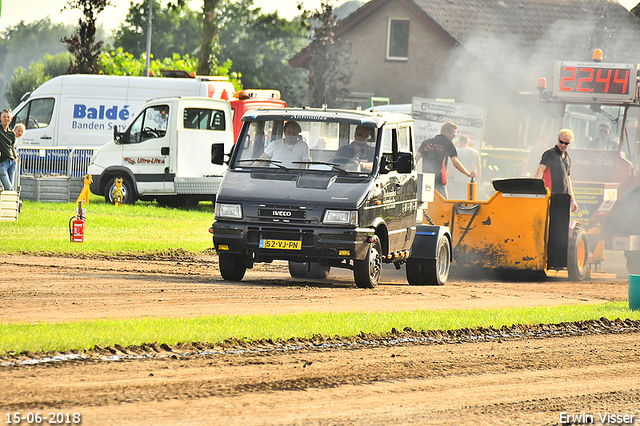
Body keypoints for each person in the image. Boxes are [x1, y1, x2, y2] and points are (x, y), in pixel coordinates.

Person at [416, 121, 476, 198]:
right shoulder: (448, 143)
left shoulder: (426, 143)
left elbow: (415, 159)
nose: (454, 137)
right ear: (446, 133)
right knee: (444, 206)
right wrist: (469, 174)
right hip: (439, 181)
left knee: (425, 205)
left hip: (425, 180)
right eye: (454, 134)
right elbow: (456, 163)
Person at [534, 129, 578, 212]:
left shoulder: (567, 158)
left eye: (566, 143)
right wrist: (536, 189)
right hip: (550, 196)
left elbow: (568, 180)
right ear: (558, 140)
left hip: (563, 197)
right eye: (561, 142)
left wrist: (572, 200)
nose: (562, 145)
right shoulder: (550, 154)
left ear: (569, 144)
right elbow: (540, 170)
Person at [0, 109, 18, 191]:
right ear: (1, 118)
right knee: (9, 188)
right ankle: (15, 199)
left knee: (10, 187)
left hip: (12, 162)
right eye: (4, 117)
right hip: (2, 162)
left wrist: (15, 157)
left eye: (8, 117)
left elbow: (12, 147)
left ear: (11, 119)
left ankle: (9, 202)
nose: (6, 119)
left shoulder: (12, 133)